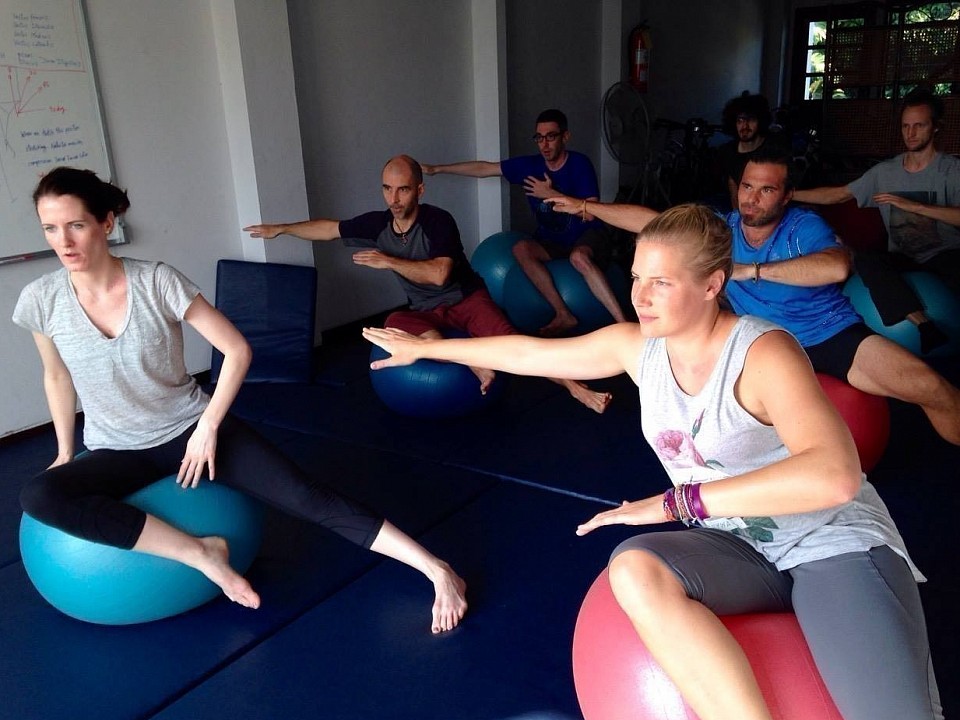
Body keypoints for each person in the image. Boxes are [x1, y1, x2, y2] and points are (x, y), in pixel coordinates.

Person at [361, 204, 956, 720]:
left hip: (829, 541)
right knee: (635, 568)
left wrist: (675, 504)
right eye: (637, 277)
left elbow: (835, 477)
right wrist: (428, 351)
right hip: (741, 543)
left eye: (661, 283)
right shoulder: (638, 348)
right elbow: (526, 355)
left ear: (712, 285)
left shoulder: (762, 353)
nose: (640, 296)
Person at [13, 167, 467, 634]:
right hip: (116, 449)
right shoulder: (41, 299)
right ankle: (201, 553)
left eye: (76, 225)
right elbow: (57, 375)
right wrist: (65, 452)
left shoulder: (157, 282)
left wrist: (208, 427)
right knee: (39, 495)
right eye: (50, 228)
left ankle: (437, 570)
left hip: (189, 429)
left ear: (106, 222)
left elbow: (236, 350)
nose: (64, 242)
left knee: (307, 496)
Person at [546, 151, 960, 445]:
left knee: (933, 388)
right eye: (747, 186)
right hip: (757, 347)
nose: (752, 198)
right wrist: (584, 206)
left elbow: (836, 267)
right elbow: (654, 222)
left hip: (828, 336)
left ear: (786, 195)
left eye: (766, 190)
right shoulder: (721, 229)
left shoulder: (803, 226)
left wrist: (750, 270)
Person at [243, 154, 611, 413]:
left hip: (467, 300)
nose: (394, 199)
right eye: (387, 189)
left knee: (517, 344)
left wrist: (388, 261)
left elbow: (439, 274)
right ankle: (474, 363)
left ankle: (577, 389)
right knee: (394, 324)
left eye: (402, 190)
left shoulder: (438, 221)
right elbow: (328, 228)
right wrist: (282, 229)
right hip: (425, 311)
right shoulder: (378, 223)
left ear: (419, 190)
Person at [422, 109, 627, 337]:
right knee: (521, 249)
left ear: (565, 137)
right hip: (554, 240)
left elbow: (590, 213)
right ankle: (563, 314)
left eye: (551, 136)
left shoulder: (580, 164)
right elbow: (485, 168)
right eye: (539, 138)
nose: (544, 144)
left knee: (578, 258)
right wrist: (437, 169)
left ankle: (623, 324)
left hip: (587, 234)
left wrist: (551, 193)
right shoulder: (530, 166)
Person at [794, 89, 960, 353]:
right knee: (866, 259)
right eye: (905, 126)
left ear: (936, 127)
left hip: (945, 255)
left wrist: (916, 207)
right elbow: (839, 195)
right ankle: (923, 325)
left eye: (919, 125)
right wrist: (788, 195)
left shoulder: (951, 170)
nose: (910, 133)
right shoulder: (885, 172)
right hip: (903, 256)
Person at [716, 91, 783, 210]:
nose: (745, 126)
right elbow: (733, 192)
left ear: (761, 121)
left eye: (750, 120)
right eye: (740, 120)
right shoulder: (727, 151)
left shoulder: (774, 148)